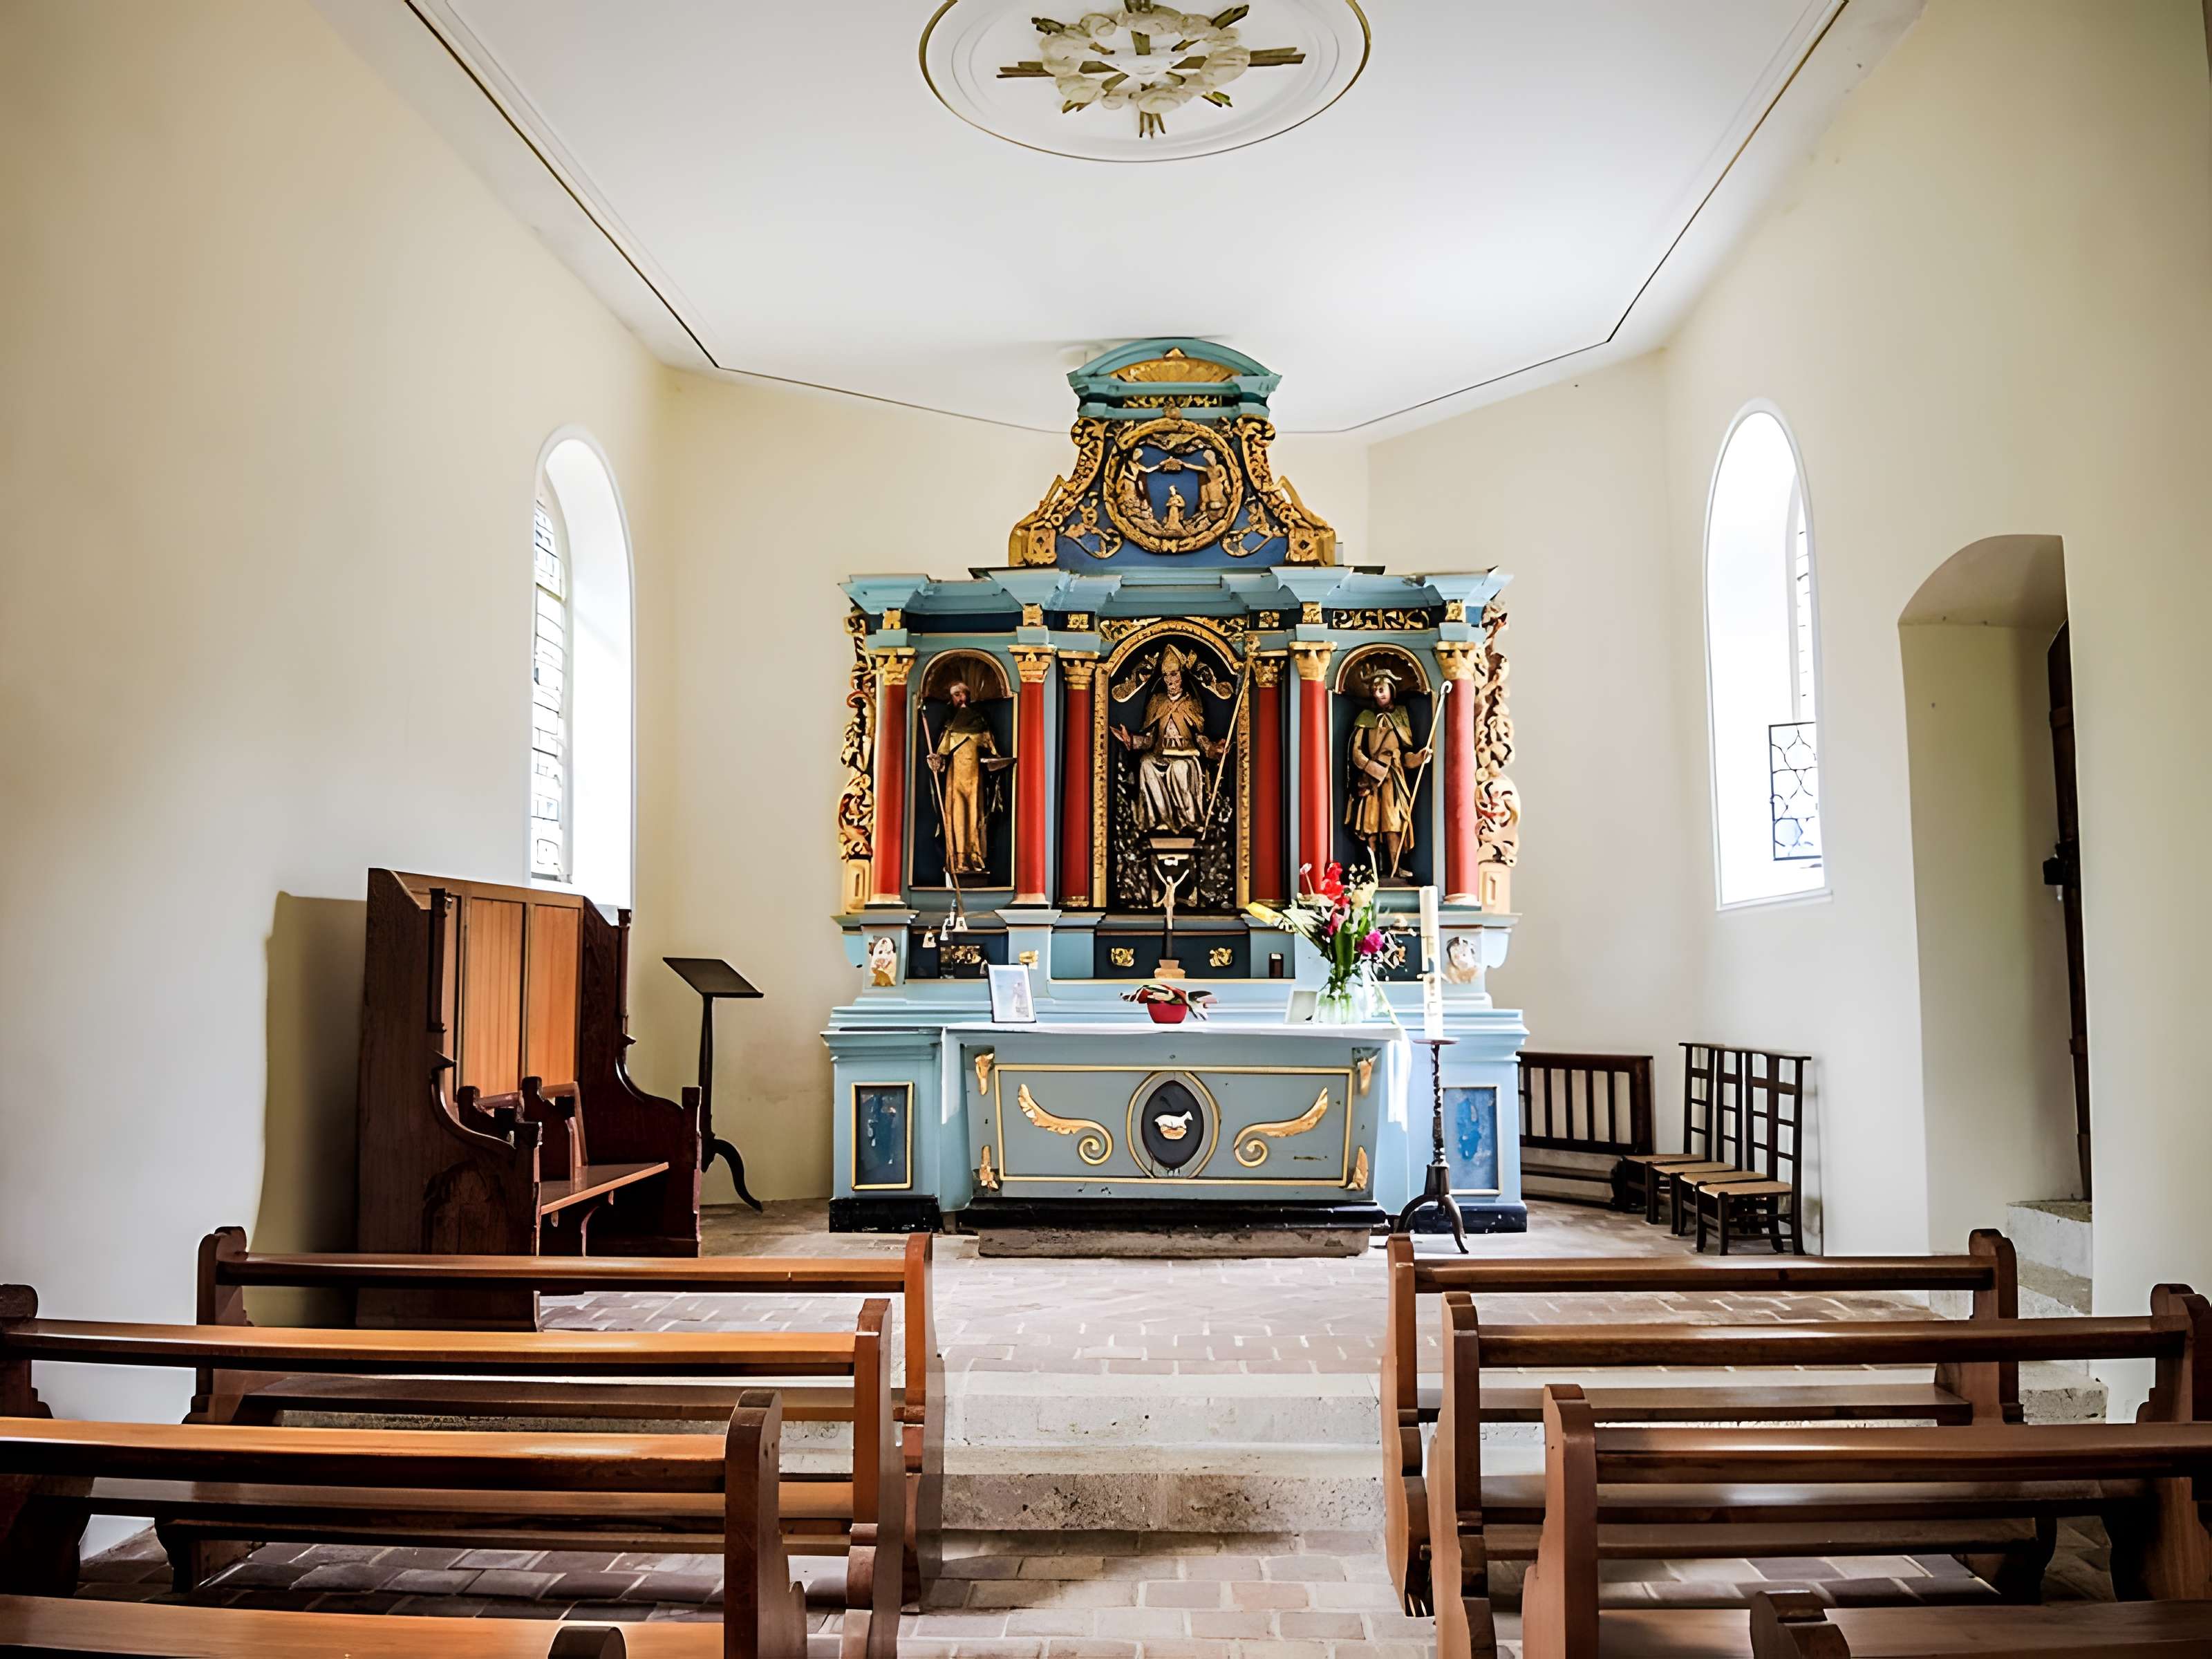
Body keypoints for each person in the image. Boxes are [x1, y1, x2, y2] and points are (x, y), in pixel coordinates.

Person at [1112, 645, 1227, 833]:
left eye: (1173, 674)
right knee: (1146, 763)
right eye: (1166, 675)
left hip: (1186, 756)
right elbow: (1151, 739)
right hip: (1161, 753)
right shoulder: (1157, 702)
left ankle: (1188, 821)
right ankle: (1160, 820)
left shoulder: (1191, 702)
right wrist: (1131, 740)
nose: (1170, 680)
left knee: (1179, 768)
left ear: (1181, 676)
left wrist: (1213, 749)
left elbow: (1199, 737)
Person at [1346, 666, 1431, 879]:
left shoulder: (1401, 716)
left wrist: (1420, 758)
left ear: (1392, 689)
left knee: (1393, 823)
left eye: (1382, 688)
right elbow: (1356, 753)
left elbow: (1404, 756)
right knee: (1371, 825)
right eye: (1374, 690)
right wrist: (1372, 769)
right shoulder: (1365, 718)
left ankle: (1395, 868)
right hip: (1373, 780)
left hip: (1394, 779)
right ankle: (1373, 873)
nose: (1378, 693)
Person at [925, 677, 1013, 876]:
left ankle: (975, 857)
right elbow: (941, 758)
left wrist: (996, 763)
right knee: (957, 818)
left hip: (976, 780)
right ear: (951, 699)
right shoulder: (949, 726)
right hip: (954, 781)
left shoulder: (980, 722)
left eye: (964, 694)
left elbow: (992, 752)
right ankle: (958, 859)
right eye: (957, 695)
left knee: (975, 817)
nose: (962, 698)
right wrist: (935, 762)